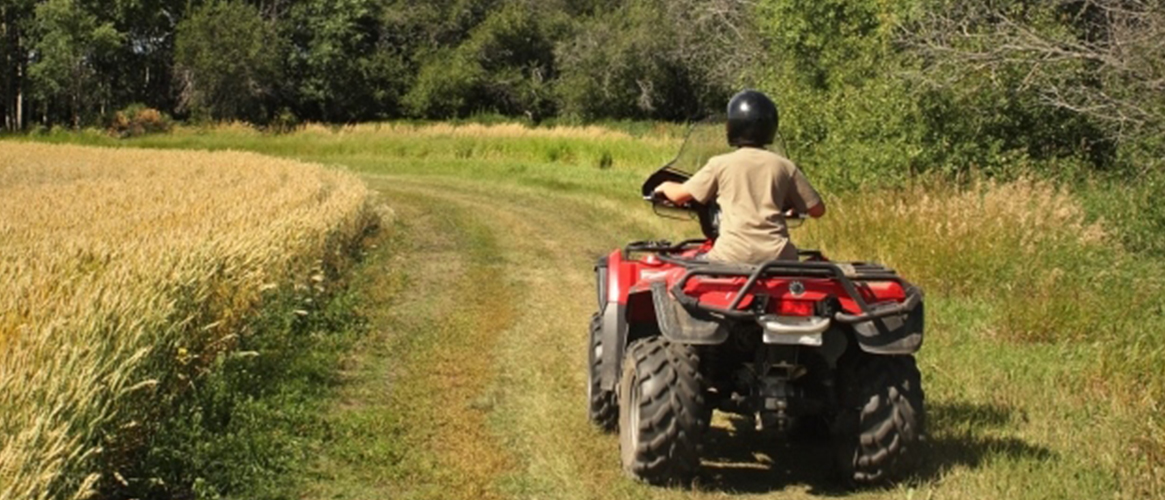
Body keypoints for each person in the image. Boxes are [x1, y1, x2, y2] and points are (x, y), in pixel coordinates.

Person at [653, 89, 826, 264]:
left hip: (730, 256)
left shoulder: (720, 164)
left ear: (732, 126)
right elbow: (817, 210)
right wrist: (794, 206)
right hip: (779, 258)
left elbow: (679, 196)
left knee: (682, 267)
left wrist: (664, 186)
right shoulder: (785, 166)